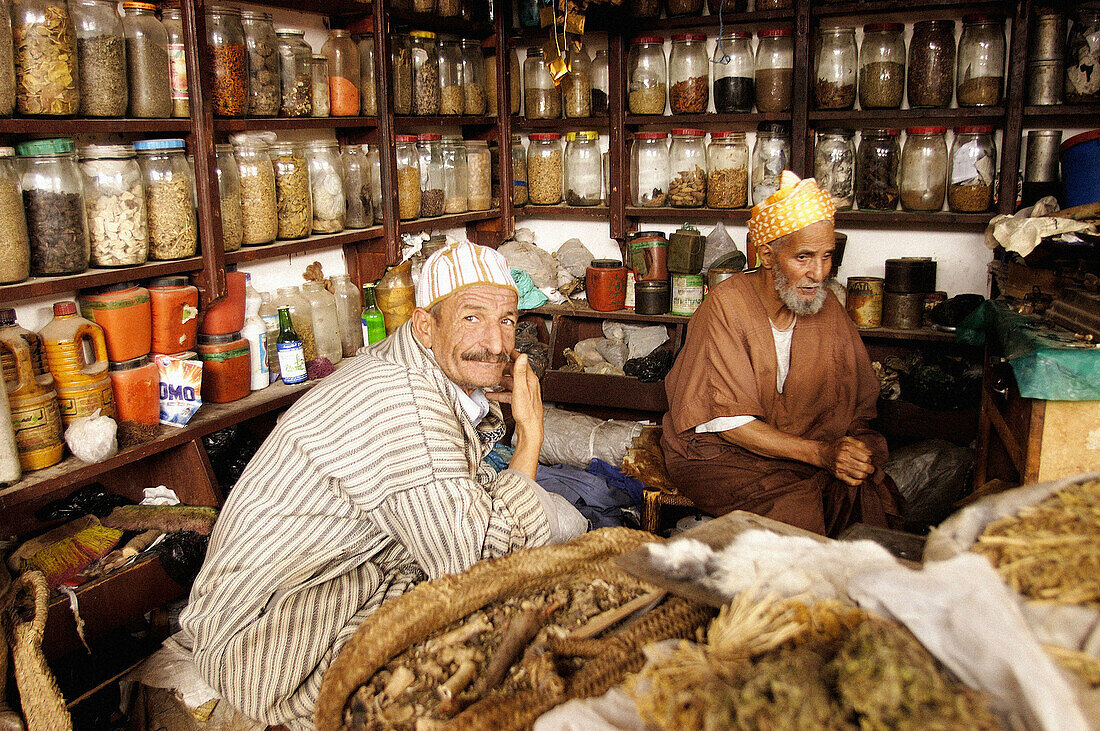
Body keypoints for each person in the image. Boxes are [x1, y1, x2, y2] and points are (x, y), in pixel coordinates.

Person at [179, 241, 586, 730]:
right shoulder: (403, 402)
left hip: (324, 584)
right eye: (472, 318)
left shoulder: (415, 366)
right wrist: (529, 439)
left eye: (505, 321)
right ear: (424, 325)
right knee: (475, 642)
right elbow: (480, 564)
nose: (497, 345)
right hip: (266, 644)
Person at [661, 171, 903, 537]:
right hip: (719, 454)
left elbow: (855, 404)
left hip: (802, 445)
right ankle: (790, 594)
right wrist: (822, 454)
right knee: (796, 505)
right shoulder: (726, 306)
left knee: (861, 493)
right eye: (803, 257)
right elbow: (731, 424)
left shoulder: (827, 308)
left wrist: (848, 449)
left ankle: (847, 592)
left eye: (826, 257)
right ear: (768, 255)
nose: (818, 273)